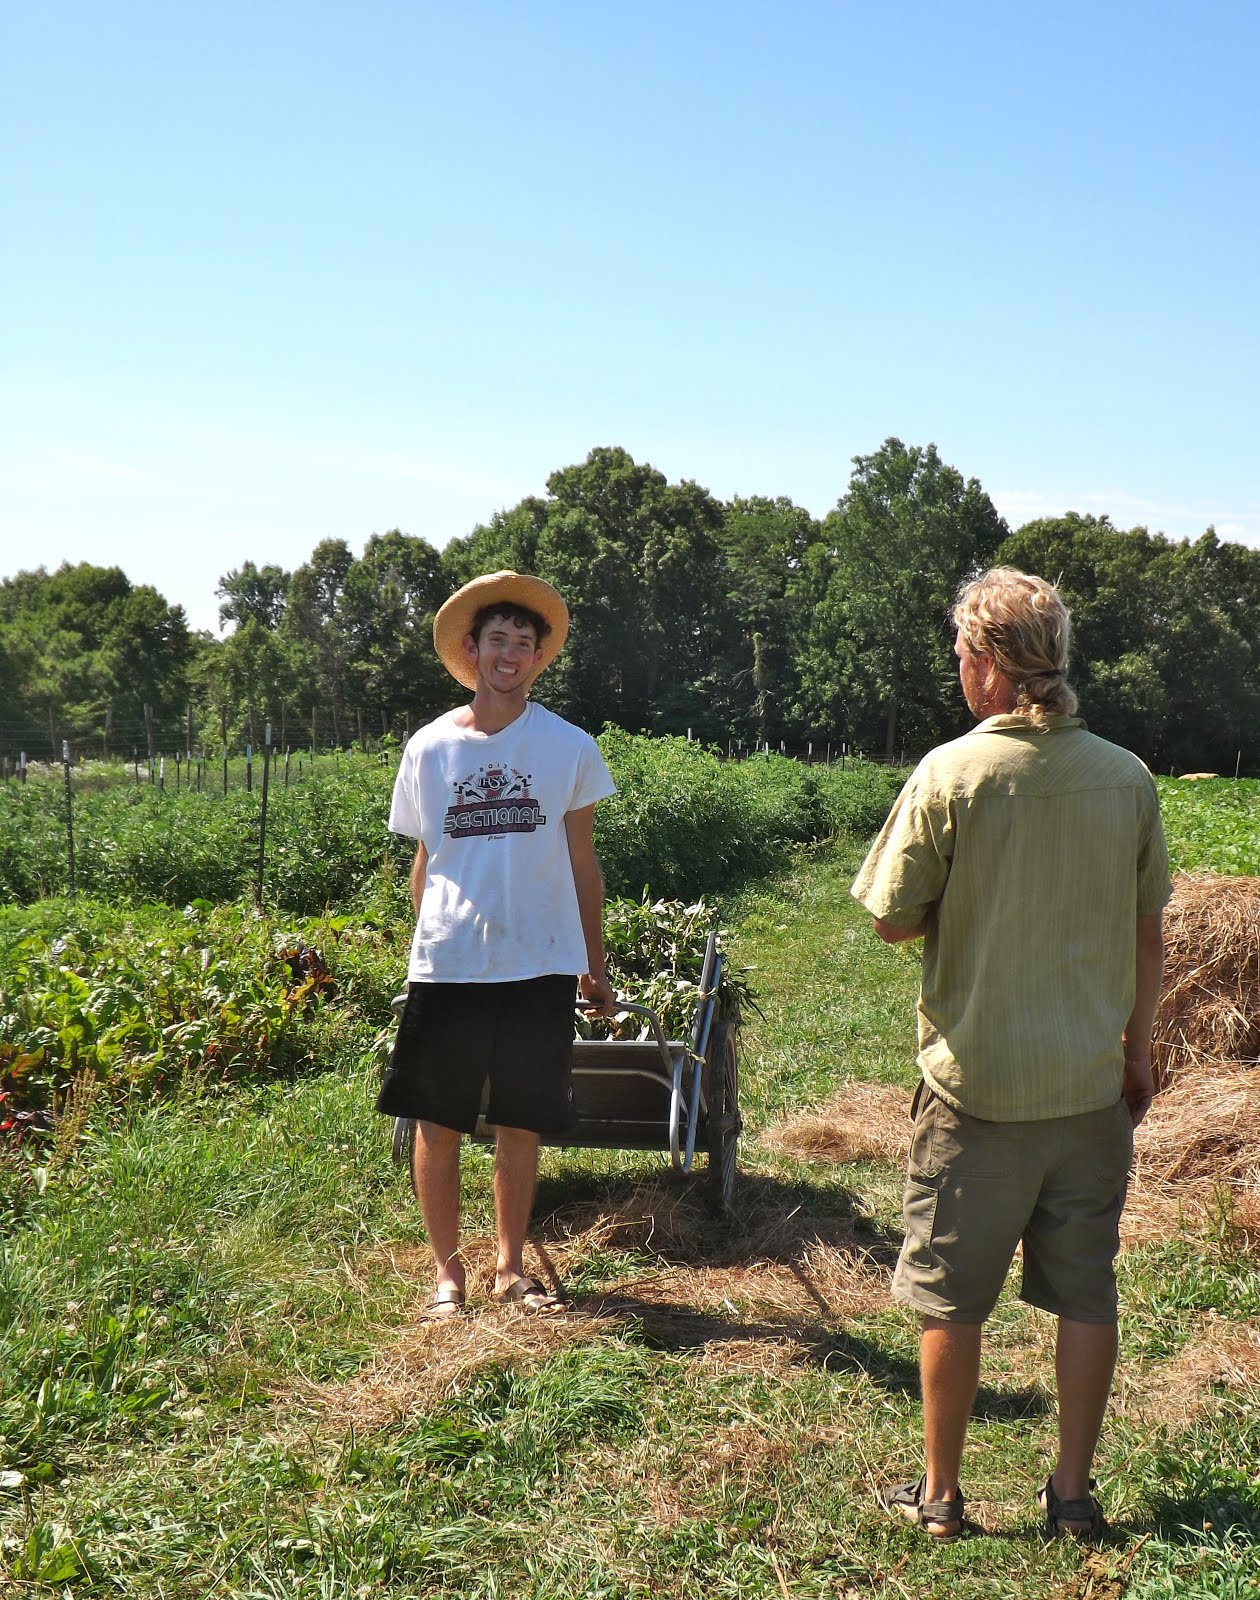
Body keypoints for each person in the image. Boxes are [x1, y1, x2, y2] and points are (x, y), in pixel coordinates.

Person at [851, 567, 1170, 1541]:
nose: (958, 671)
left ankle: (942, 1496)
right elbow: (1149, 930)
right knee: (1087, 1291)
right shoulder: (1127, 776)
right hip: (1087, 1085)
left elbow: (893, 921)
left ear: (989, 662)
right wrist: (1139, 1052)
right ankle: (1072, 1496)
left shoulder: (950, 773)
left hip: (973, 1090)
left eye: (960, 654)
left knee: (951, 1297)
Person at [377, 570, 617, 1318]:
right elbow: (425, 861)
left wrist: (592, 964)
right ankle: (447, 1274)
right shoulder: (429, 748)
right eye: (497, 641)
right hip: (449, 965)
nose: (510, 654)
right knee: (438, 1122)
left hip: (538, 960)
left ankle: (509, 1269)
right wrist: (430, 945)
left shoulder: (568, 747)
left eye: (524, 643)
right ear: (471, 651)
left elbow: (583, 864)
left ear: (537, 658)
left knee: (520, 1120)